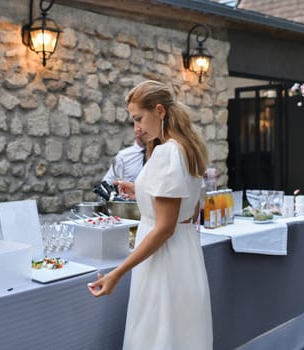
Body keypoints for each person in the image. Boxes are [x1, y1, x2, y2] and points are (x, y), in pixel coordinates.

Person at [88, 80, 213, 350]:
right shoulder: (187, 148)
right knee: (181, 335)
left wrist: (117, 273)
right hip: (185, 255)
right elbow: (190, 210)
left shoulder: (166, 152)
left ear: (159, 111)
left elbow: (164, 228)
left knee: (157, 337)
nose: (138, 129)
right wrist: (140, 190)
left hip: (163, 261)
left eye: (139, 119)